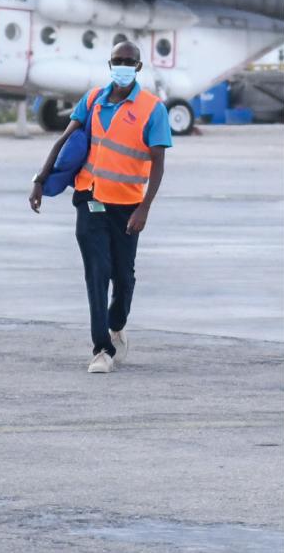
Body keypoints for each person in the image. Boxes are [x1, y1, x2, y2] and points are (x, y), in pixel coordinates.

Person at [29, 41, 172, 374]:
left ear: (138, 67)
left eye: (128, 61)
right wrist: (40, 179)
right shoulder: (92, 100)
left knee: (123, 276)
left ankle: (117, 324)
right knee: (97, 272)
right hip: (90, 197)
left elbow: (159, 164)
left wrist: (145, 208)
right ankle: (101, 349)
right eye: (117, 60)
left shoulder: (153, 109)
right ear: (110, 64)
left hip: (127, 205)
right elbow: (64, 140)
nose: (122, 66)